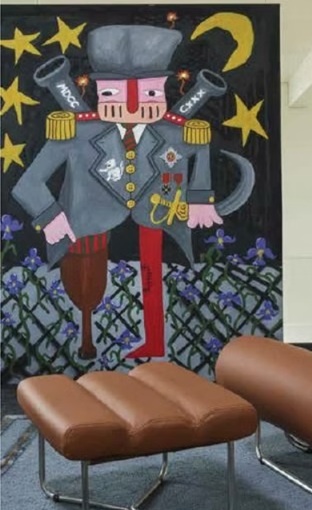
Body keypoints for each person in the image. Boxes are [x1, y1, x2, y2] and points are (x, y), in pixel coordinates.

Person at [12, 25, 226, 359]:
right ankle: (89, 335)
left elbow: (198, 145)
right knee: (86, 291)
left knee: (156, 278)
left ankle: (155, 341)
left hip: (154, 223)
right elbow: (27, 184)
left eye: (149, 93)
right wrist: (50, 216)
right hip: (91, 234)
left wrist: (199, 196)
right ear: (100, 92)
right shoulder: (76, 132)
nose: (132, 105)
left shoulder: (172, 131)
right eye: (114, 94)